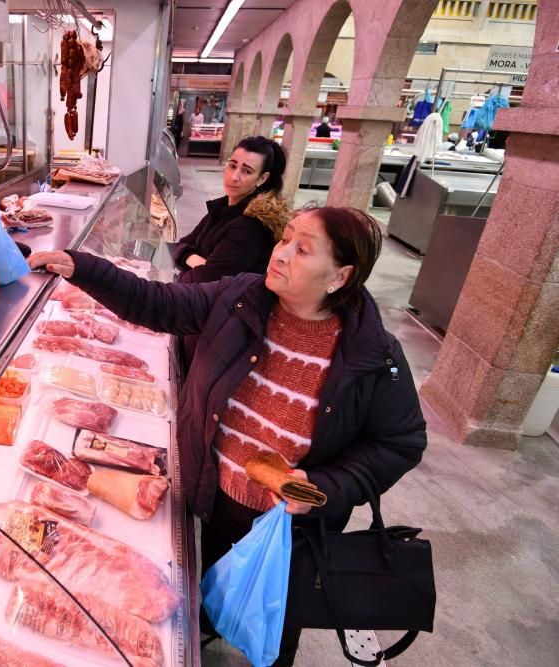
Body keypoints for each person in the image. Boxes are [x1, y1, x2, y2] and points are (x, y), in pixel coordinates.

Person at [29, 205, 427, 665]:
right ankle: (206, 634)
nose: (280, 255)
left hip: (290, 530)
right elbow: (158, 303)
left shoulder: (372, 354)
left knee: (274, 628)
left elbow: (400, 443)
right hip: (217, 500)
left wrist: (326, 487)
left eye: (303, 250)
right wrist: (82, 267)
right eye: (285, 240)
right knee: (213, 589)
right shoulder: (243, 296)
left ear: (340, 276)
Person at [174, 136, 289, 285]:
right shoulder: (223, 206)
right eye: (233, 166)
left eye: (247, 171)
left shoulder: (250, 225)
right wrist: (197, 261)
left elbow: (207, 279)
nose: (234, 177)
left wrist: (183, 272)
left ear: (262, 179)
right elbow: (181, 245)